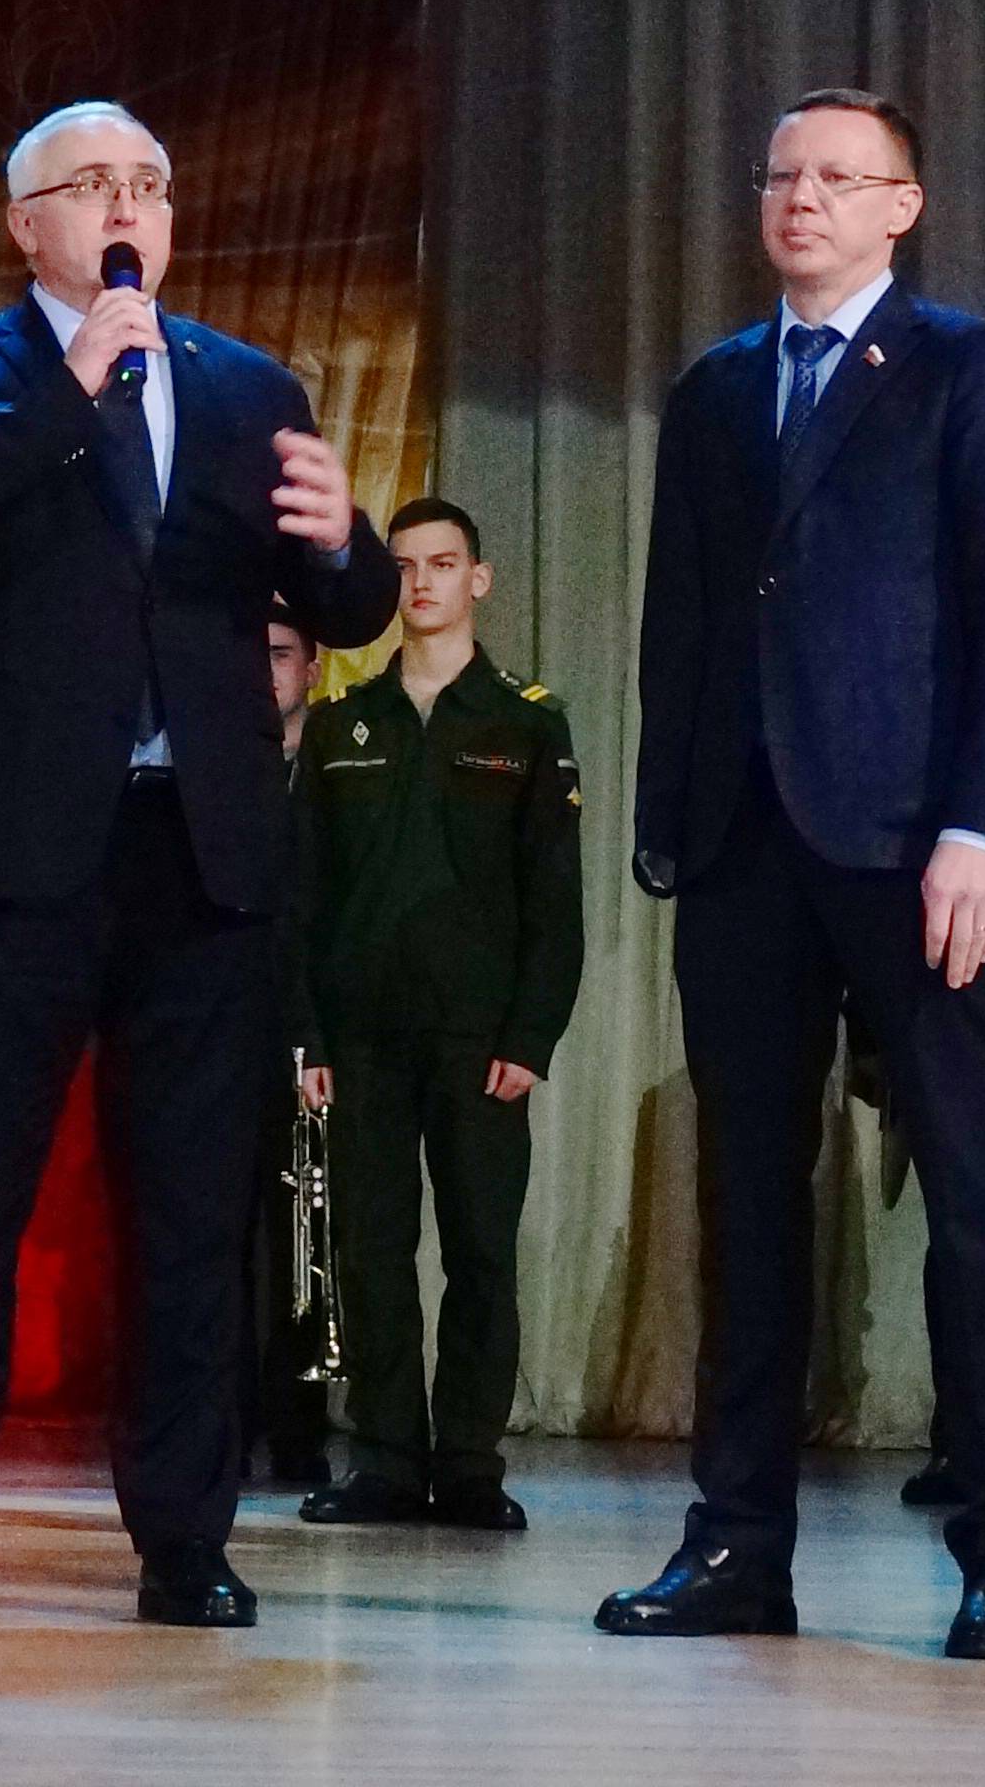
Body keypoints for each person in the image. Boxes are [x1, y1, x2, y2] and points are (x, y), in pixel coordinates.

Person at [0, 101, 390, 1630]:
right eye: (94, 186)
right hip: (5, 856)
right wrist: (68, 393)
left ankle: (186, 1540)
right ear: (28, 226)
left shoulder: (247, 386)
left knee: (195, 1218)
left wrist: (343, 544)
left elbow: (340, 607)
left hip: (197, 851)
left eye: (151, 182)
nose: (129, 206)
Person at [609, 87, 985, 1662]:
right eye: (781, 174)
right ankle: (738, 1544)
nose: (800, 197)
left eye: (837, 177)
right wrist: (670, 818)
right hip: (746, 843)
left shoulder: (968, 368)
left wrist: (983, 829)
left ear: (902, 207)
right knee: (748, 1204)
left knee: (978, 1195)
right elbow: (684, 616)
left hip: (914, 840)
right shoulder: (716, 388)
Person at [291, 498, 583, 1533]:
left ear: (478, 579)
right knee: (370, 1253)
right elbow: (302, 898)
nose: (422, 582)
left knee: (480, 1254)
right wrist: (308, 1037)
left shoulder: (527, 721)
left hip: (480, 1041)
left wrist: (530, 1036)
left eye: (443, 563)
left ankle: (467, 1464)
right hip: (362, 1039)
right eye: (405, 565)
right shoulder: (341, 725)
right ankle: (381, 1458)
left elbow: (555, 898)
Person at [249, 616, 333, 1488]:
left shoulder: (338, 760)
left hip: (314, 1033)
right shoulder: (216, 764)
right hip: (225, 1020)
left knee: (306, 1233)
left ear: (313, 666)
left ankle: (301, 1427)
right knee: (217, 1237)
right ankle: (224, 1422)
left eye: (279, 654)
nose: (265, 670)